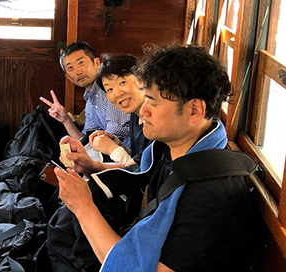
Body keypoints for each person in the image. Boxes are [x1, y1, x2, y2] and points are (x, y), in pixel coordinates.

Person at [54, 45, 255, 271]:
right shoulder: (166, 147)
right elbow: (134, 168)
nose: (143, 110)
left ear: (194, 110)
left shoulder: (209, 193)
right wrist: (90, 166)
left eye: (153, 101)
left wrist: (83, 207)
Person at [40, 41, 130, 145]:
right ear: (68, 77)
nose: (78, 72)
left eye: (81, 63)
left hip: (129, 153)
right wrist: (66, 120)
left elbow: (115, 134)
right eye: (70, 68)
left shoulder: (110, 89)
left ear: (97, 63)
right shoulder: (90, 101)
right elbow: (85, 141)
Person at [88, 54, 150, 167]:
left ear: (142, 78)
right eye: (110, 89)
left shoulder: (155, 118)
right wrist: (115, 142)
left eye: (122, 83)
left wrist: (113, 150)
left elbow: (143, 171)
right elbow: (137, 159)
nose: (117, 94)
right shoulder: (135, 116)